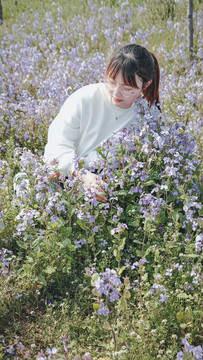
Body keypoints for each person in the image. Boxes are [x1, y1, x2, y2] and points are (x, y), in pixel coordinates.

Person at [44, 44, 160, 202]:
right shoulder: (85, 98)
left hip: (108, 186)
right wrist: (82, 175)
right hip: (69, 174)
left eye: (127, 89)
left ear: (145, 85)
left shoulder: (146, 116)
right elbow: (56, 145)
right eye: (111, 82)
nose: (116, 93)